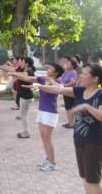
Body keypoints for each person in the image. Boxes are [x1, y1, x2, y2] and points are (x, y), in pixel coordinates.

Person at [23, 64, 102, 194]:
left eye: (84, 73)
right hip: (80, 140)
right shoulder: (80, 91)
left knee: (92, 180)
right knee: (85, 178)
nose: (80, 75)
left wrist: (86, 107)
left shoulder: (100, 95)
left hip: (94, 143)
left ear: (95, 78)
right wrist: (39, 86)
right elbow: (59, 90)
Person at [8, 63, 64, 171]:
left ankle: (53, 163)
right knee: (43, 137)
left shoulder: (58, 83)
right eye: (49, 67)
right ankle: (48, 159)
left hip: (50, 113)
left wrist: (49, 80)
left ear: (56, 73)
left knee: (48, 138)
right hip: (42, 111)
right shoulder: (42, 79)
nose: (48, 69)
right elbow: (27, 78)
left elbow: (59, 89)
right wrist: (12, 73)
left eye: (51, 68)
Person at [0, 57, 36, 138]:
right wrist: (8, 72)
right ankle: (25, 131)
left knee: (24, 115)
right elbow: (15, 72)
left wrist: (11, 74)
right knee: (23, 115)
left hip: (26, 96)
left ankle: (26, 132)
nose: (21, 63)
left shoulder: (29, 72)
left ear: (27, 63)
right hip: (24, 95)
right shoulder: (24, 70)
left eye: (22, 62)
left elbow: (22, 76)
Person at [60, 56, 79, 128]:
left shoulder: (73, 72)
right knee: (68, 107)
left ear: (72, 66)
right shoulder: (67, 72)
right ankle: (70, 122)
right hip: (66, 92)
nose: (67, 65)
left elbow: (73, 82)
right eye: (67, 64)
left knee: (69, 107)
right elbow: (61, 79)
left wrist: (64, 86)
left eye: (68, 64)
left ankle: (71, 124)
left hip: (70, 92)